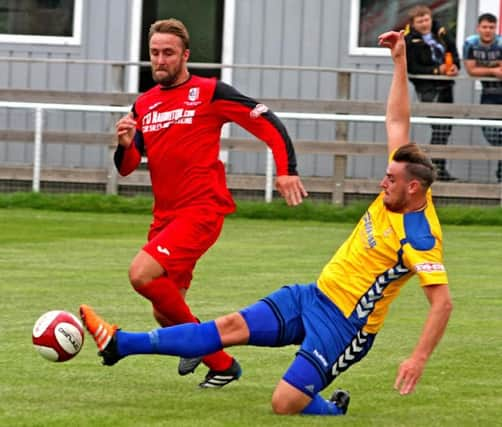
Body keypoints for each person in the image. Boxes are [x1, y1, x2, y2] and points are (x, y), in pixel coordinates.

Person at [80, 31, 453, 416]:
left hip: (346, 327)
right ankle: (119, 344)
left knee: (284, 404)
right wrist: (399, 60)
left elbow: (442, 304)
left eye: (390, 181)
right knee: (220, 326)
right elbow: (396, 119)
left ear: (413, 187)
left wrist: (417, 359)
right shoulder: (401, 182)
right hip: (313, 295)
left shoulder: (420, 235)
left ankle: (332, 410)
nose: (381, 182)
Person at [111, 18, 307, 388]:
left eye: (168, 53)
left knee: (141, 274)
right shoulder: (144, 105)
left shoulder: (209, 92)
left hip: (202, 210)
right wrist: (123, 145)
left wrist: (286, 170)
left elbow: (265, 120)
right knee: (164, 314)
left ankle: (209, 350)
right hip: (165, 219)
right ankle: (221, 363)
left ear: (185, 55)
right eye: (155, 53)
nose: (160, 60)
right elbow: (127, 167)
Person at [405, 5, 460, 181]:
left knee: (445, 129)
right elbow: (413, 68)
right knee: (439, 127)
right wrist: (438, 70)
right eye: (419, 21)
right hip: (428, 88)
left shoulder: (441, 32)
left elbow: (453, 51)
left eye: (426, 19)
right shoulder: (410, 41)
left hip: (446, 86)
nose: (424, 23)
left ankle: (436, 169)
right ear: (413, 24)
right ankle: (432, 170)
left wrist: (454, 67)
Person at [463, 13, 502, 183]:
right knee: (490, 133)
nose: (488, 30)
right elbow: (471, 70)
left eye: (491, 27)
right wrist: (493, 70)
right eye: (485, 27)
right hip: (488, 94)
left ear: (496, 28)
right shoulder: (470, 43)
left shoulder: (500, 43)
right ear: (478, 28)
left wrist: (484, 68)